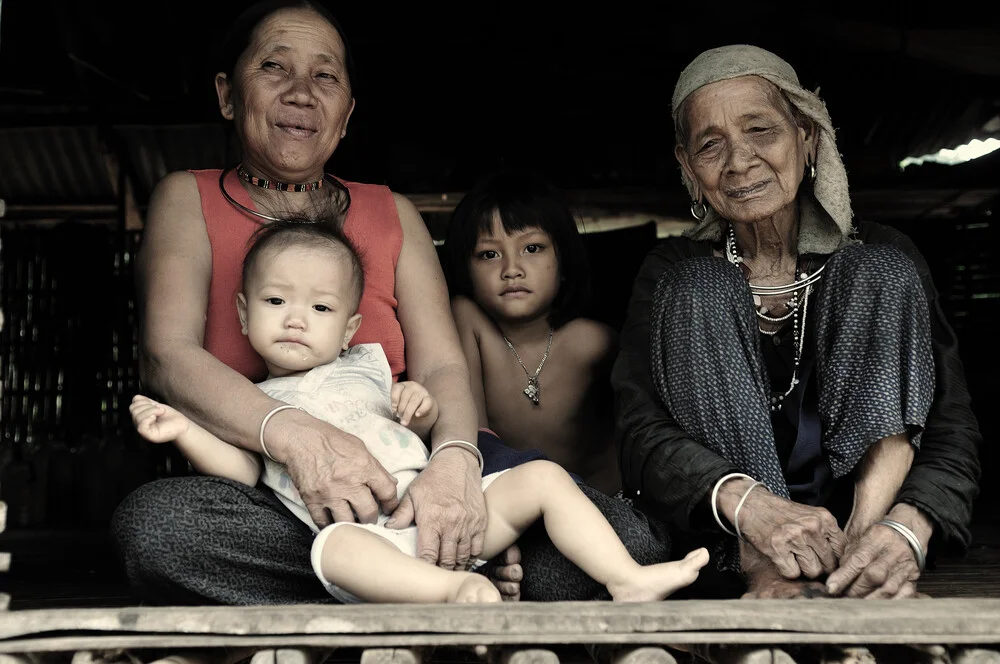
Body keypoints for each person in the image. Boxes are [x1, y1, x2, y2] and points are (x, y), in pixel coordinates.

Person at [112, 0, 489, 606]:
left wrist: (455, 465)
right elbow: (166, 356)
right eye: (273, 68)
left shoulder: (393, 213)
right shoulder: (186, 197)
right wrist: (300, 439)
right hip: (275, 498)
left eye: (325, 76)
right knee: (158, 529)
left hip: (409, 482)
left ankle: (423, 566)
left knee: (621, 533)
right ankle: (438, 578)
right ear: (227, 95)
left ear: (346, 114)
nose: (301, 93)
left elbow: (443, 367)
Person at [129, 221, 710, 604]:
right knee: (332, 551)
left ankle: (624, 578)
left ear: (351, 326)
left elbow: (429, 417)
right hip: (366, 541)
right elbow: (239, 472)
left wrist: (420, 406)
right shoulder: (253, 399)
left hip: (446, 514)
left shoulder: (371, 366)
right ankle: (449, 592)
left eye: (320, 306)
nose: (296, 319)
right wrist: (182, 430)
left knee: (543, 478)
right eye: (275, 301)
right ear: (242, 312)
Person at [611, 44, 982, 600]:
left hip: (865, 528)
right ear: (688, 167)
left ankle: (860, 560)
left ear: (807, 136)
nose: (738, 162)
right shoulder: (671, 271)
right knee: (697, 288)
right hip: (730, 541)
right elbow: (640, 432)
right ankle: (769, 569)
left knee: (878, 269)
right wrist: (755, 513)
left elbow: (951, 427)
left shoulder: (883, 255)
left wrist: (905, 530)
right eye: (710, 145)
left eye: (761, 130)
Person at [445, 170, 621, 496]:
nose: (512, 269)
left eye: (532, 248)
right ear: (465, 268)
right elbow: (474, 437)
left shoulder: (593, 343)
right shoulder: (470, 323)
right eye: (489, 254)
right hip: (515, 501)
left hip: (605, 505)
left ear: (564, 259)